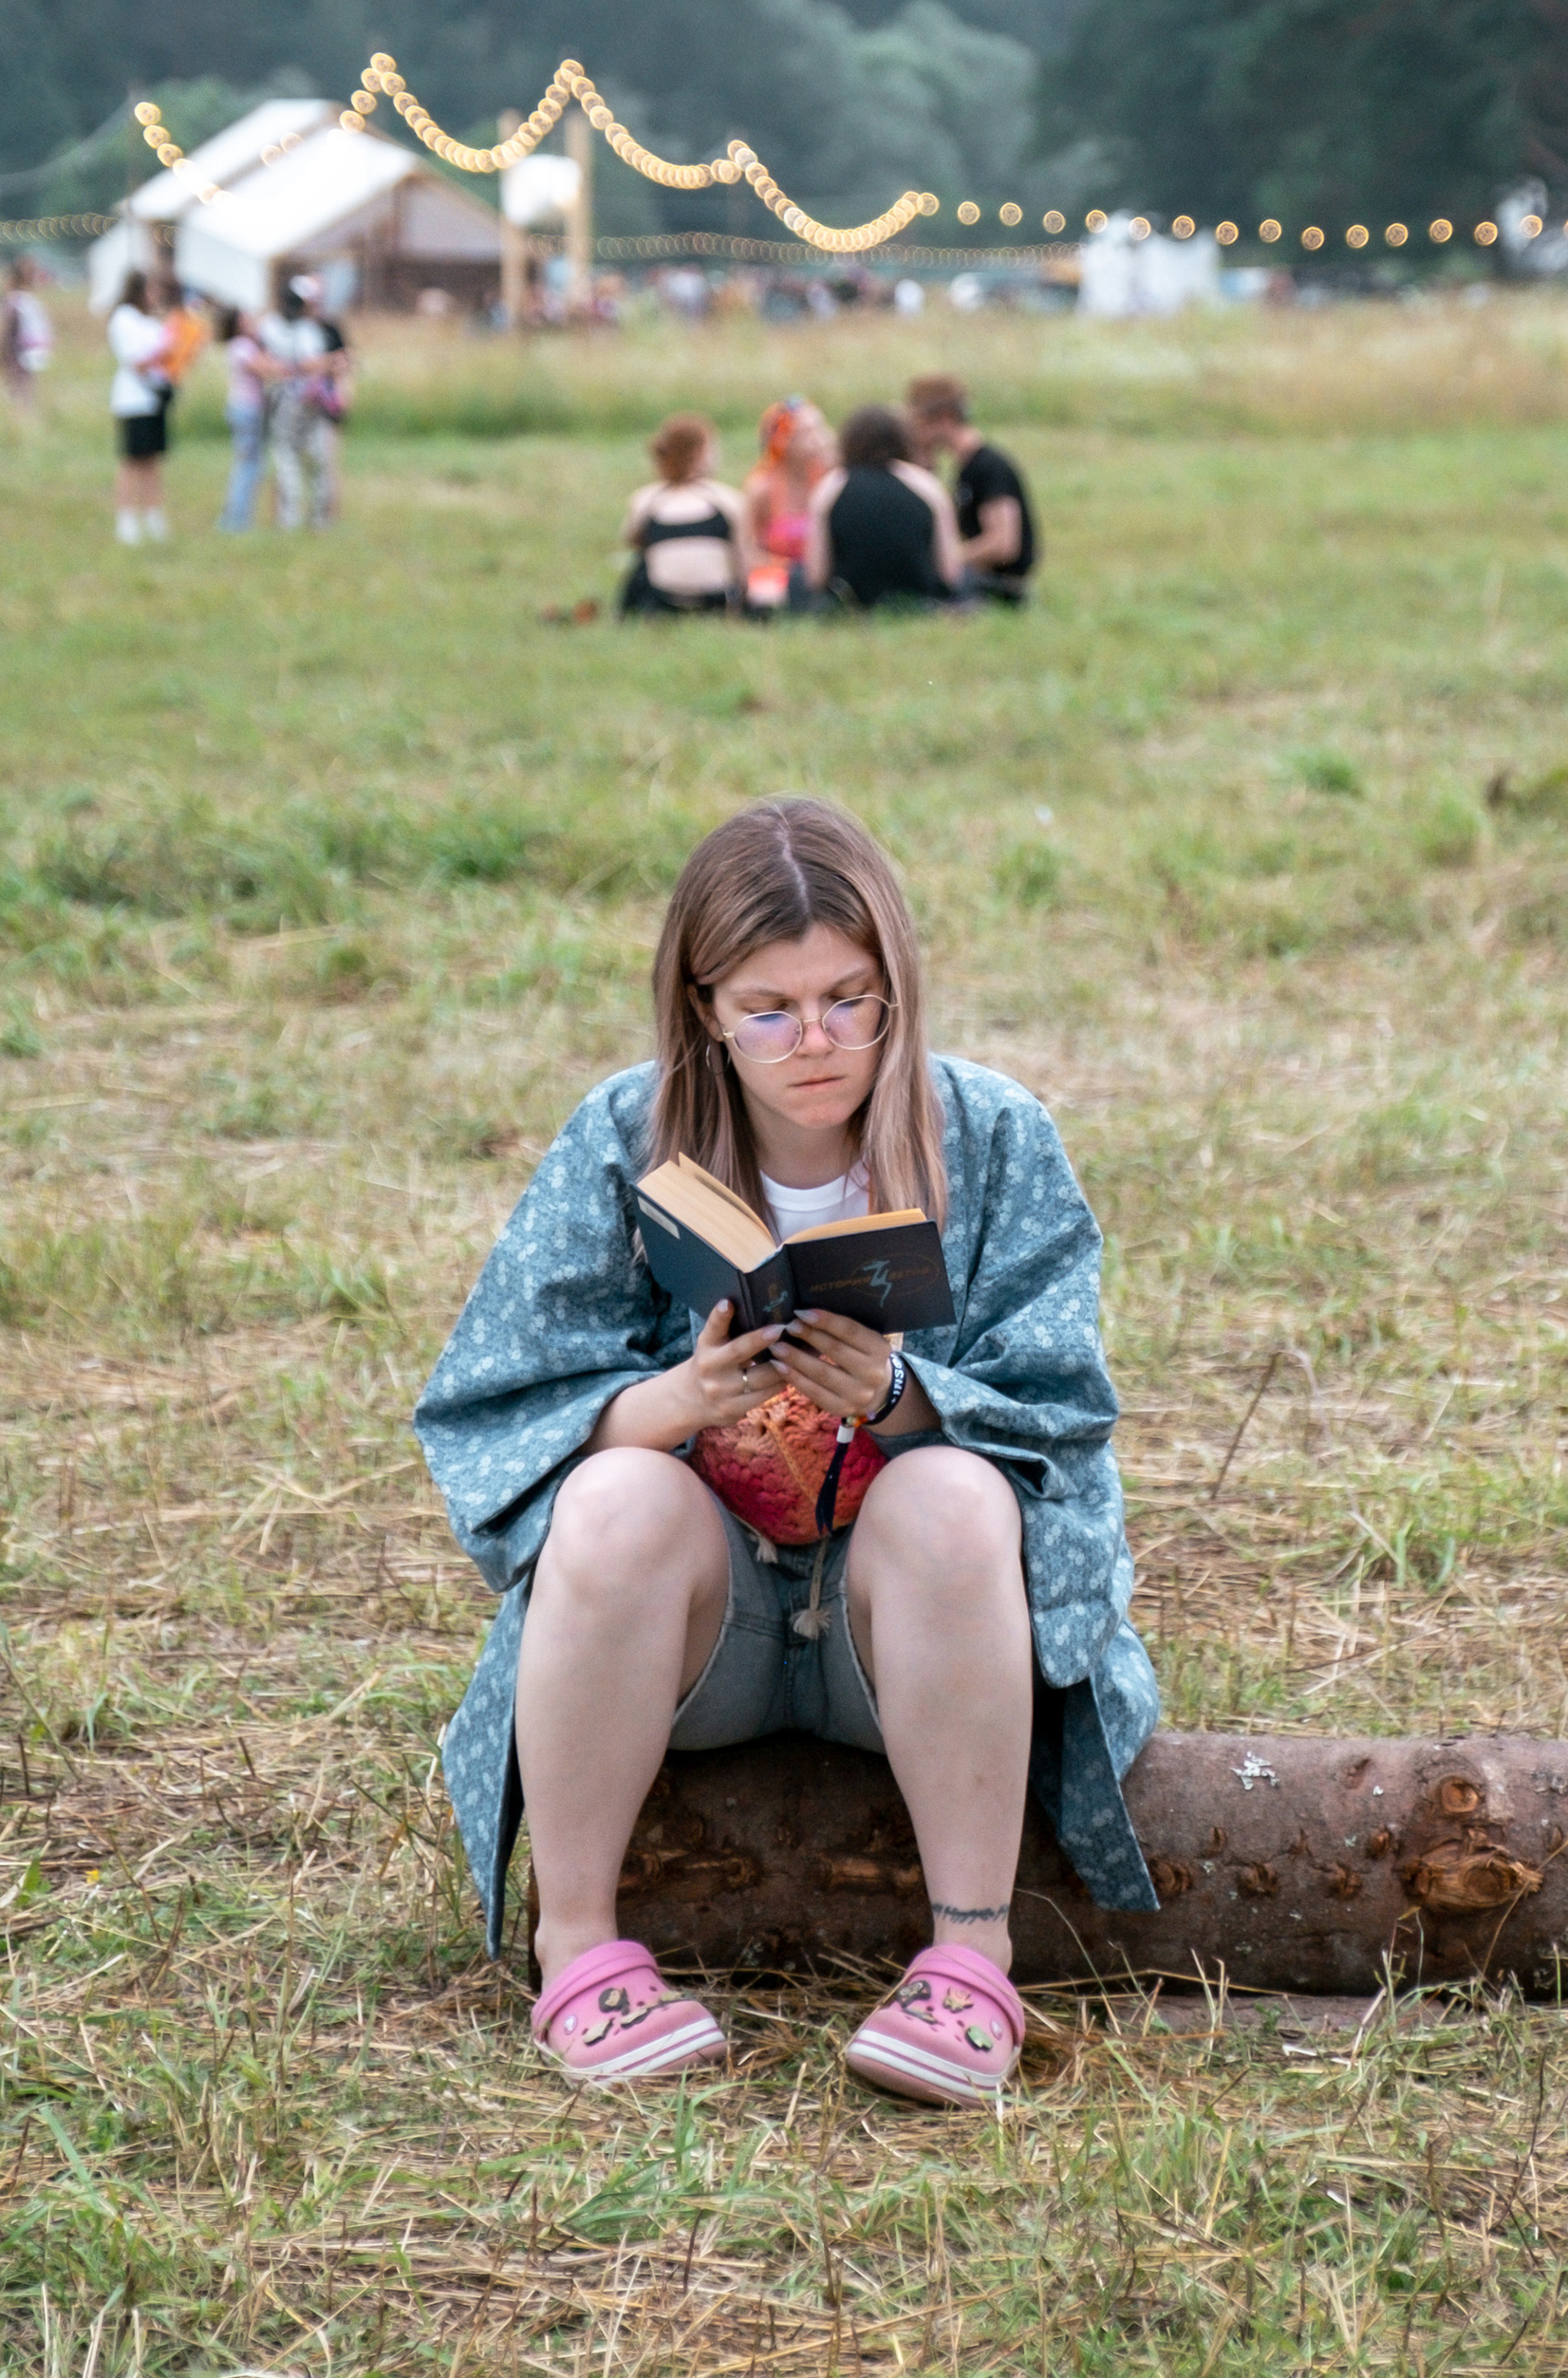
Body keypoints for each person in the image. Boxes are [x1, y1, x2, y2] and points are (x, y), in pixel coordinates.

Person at [413, 796, 1159, 2098]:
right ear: (704, 1004)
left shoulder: (990, 1133)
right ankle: (577, 1951)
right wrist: (679, 1401)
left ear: (898, 990)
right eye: (769, 1008)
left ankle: (970, 1968)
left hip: (914, 1641)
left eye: (849, 999)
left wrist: (907, 1397)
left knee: (952, 1497)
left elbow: (1067, 1412)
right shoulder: (621, 1135)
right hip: (708, 1644)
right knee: (613, 1501)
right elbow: (494, 1401)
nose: (814, 1040)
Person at [809, 403, 965, 611]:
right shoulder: (927, 486)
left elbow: (816, 576)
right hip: (920, 597)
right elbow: (950, 572)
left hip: (851, 600)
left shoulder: (831, 488)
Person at [907, 375, 1039, 604]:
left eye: (920, 424)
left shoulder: (988, 466)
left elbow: (1003, 544)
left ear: (944, 418)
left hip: (1001, 583)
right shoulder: (965, 468)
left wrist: (945, 558)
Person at [619, 414, 747, 617]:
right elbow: (743, 556)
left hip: (661, 601)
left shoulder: (646, 499)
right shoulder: (727, 498)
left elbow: (632, 541)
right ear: (700, 453)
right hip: (716, 600)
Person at [263, 274, 349, 531]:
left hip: (288, 402)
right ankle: (308, 517)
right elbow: (315, 363)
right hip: (302, 402)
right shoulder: (306, 331)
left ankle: (298, 518)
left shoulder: (272, 327)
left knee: (295, 459)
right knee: (308, 459)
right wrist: (329, 362)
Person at [737, 398, 832, 612]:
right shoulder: (762, 488)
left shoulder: (830, 479)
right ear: (782, 441)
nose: (818, 440)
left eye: (820, 429)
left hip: (822, 578)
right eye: (807, 434)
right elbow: (745, 547)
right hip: (775, 580)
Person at [106, 268, 173, 542]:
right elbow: (138, 362)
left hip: (153, 396)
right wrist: (165, 351)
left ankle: (153, 515)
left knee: (151, 460)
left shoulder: (149, 322)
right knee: (131, 461)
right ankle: (126, 519)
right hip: (133, 399)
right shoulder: (124, 319)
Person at [215, 306, 275, 531]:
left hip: (247, 410)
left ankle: (238, 518)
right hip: (247, 410)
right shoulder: (241, 347)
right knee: (248, 467)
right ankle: (235, 521)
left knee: (249, 466)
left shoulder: (247, 345)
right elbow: (265, 369)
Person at [0, 261, 53, 419]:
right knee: (28, 389)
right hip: (35, 351)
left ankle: (19, 419)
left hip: (17, 353)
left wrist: (0, 354)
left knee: (16, 391)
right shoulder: (31, 301)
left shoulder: (13, 302)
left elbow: (8, 331)